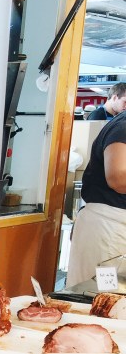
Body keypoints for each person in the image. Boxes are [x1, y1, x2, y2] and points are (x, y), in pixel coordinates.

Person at [67, 108, 126, 287]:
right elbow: (118, 178)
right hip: (110, 229)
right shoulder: (123, 127)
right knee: (101, 295)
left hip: (115, 228)